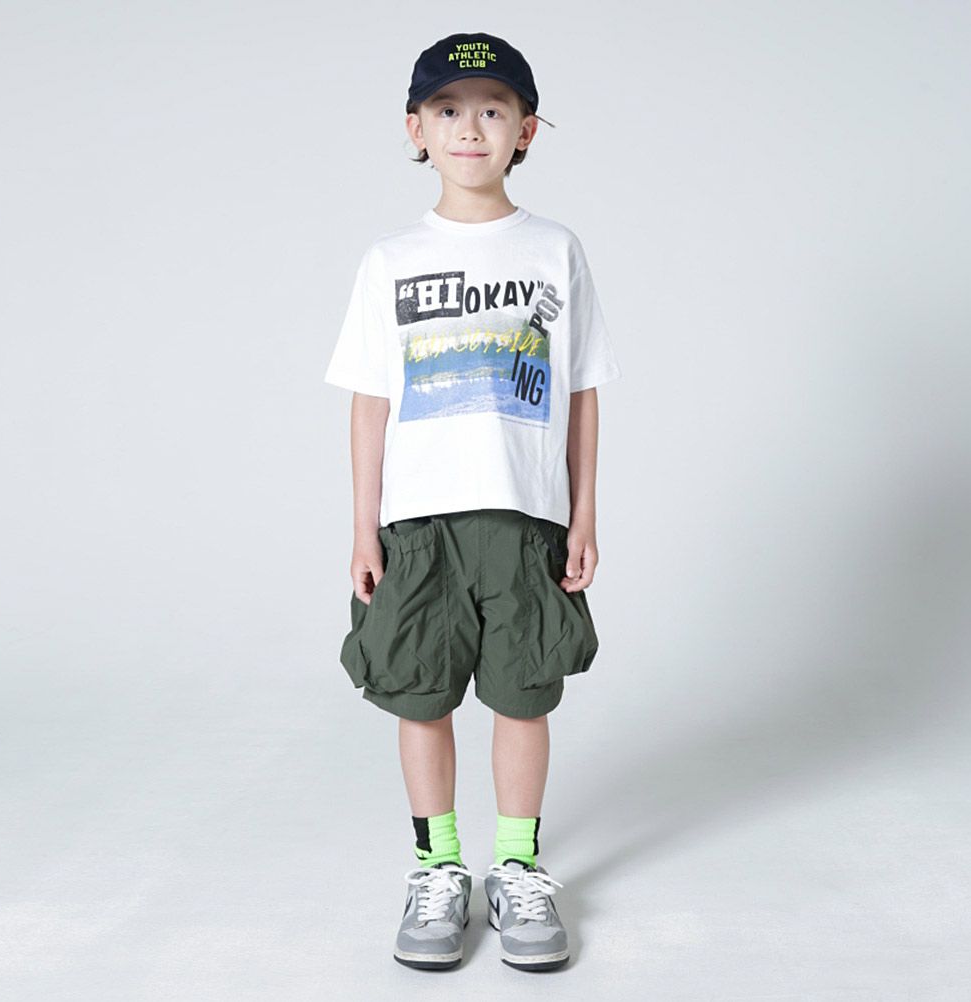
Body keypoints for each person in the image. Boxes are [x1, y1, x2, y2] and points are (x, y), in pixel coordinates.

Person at [323, 31, 623, 973]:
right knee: (421, 692)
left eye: (494, 109)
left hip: (524, 516)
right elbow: (371, 402)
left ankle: (518, 866)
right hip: (419, 523)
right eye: (448, 110)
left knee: (524, 694)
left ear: (526, 130)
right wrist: (364, 526)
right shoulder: (391, 259)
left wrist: (582, 513)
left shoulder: (555, 250)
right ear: (416, 129)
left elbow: (581, 392)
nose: (470, 127)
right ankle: (439, 866)